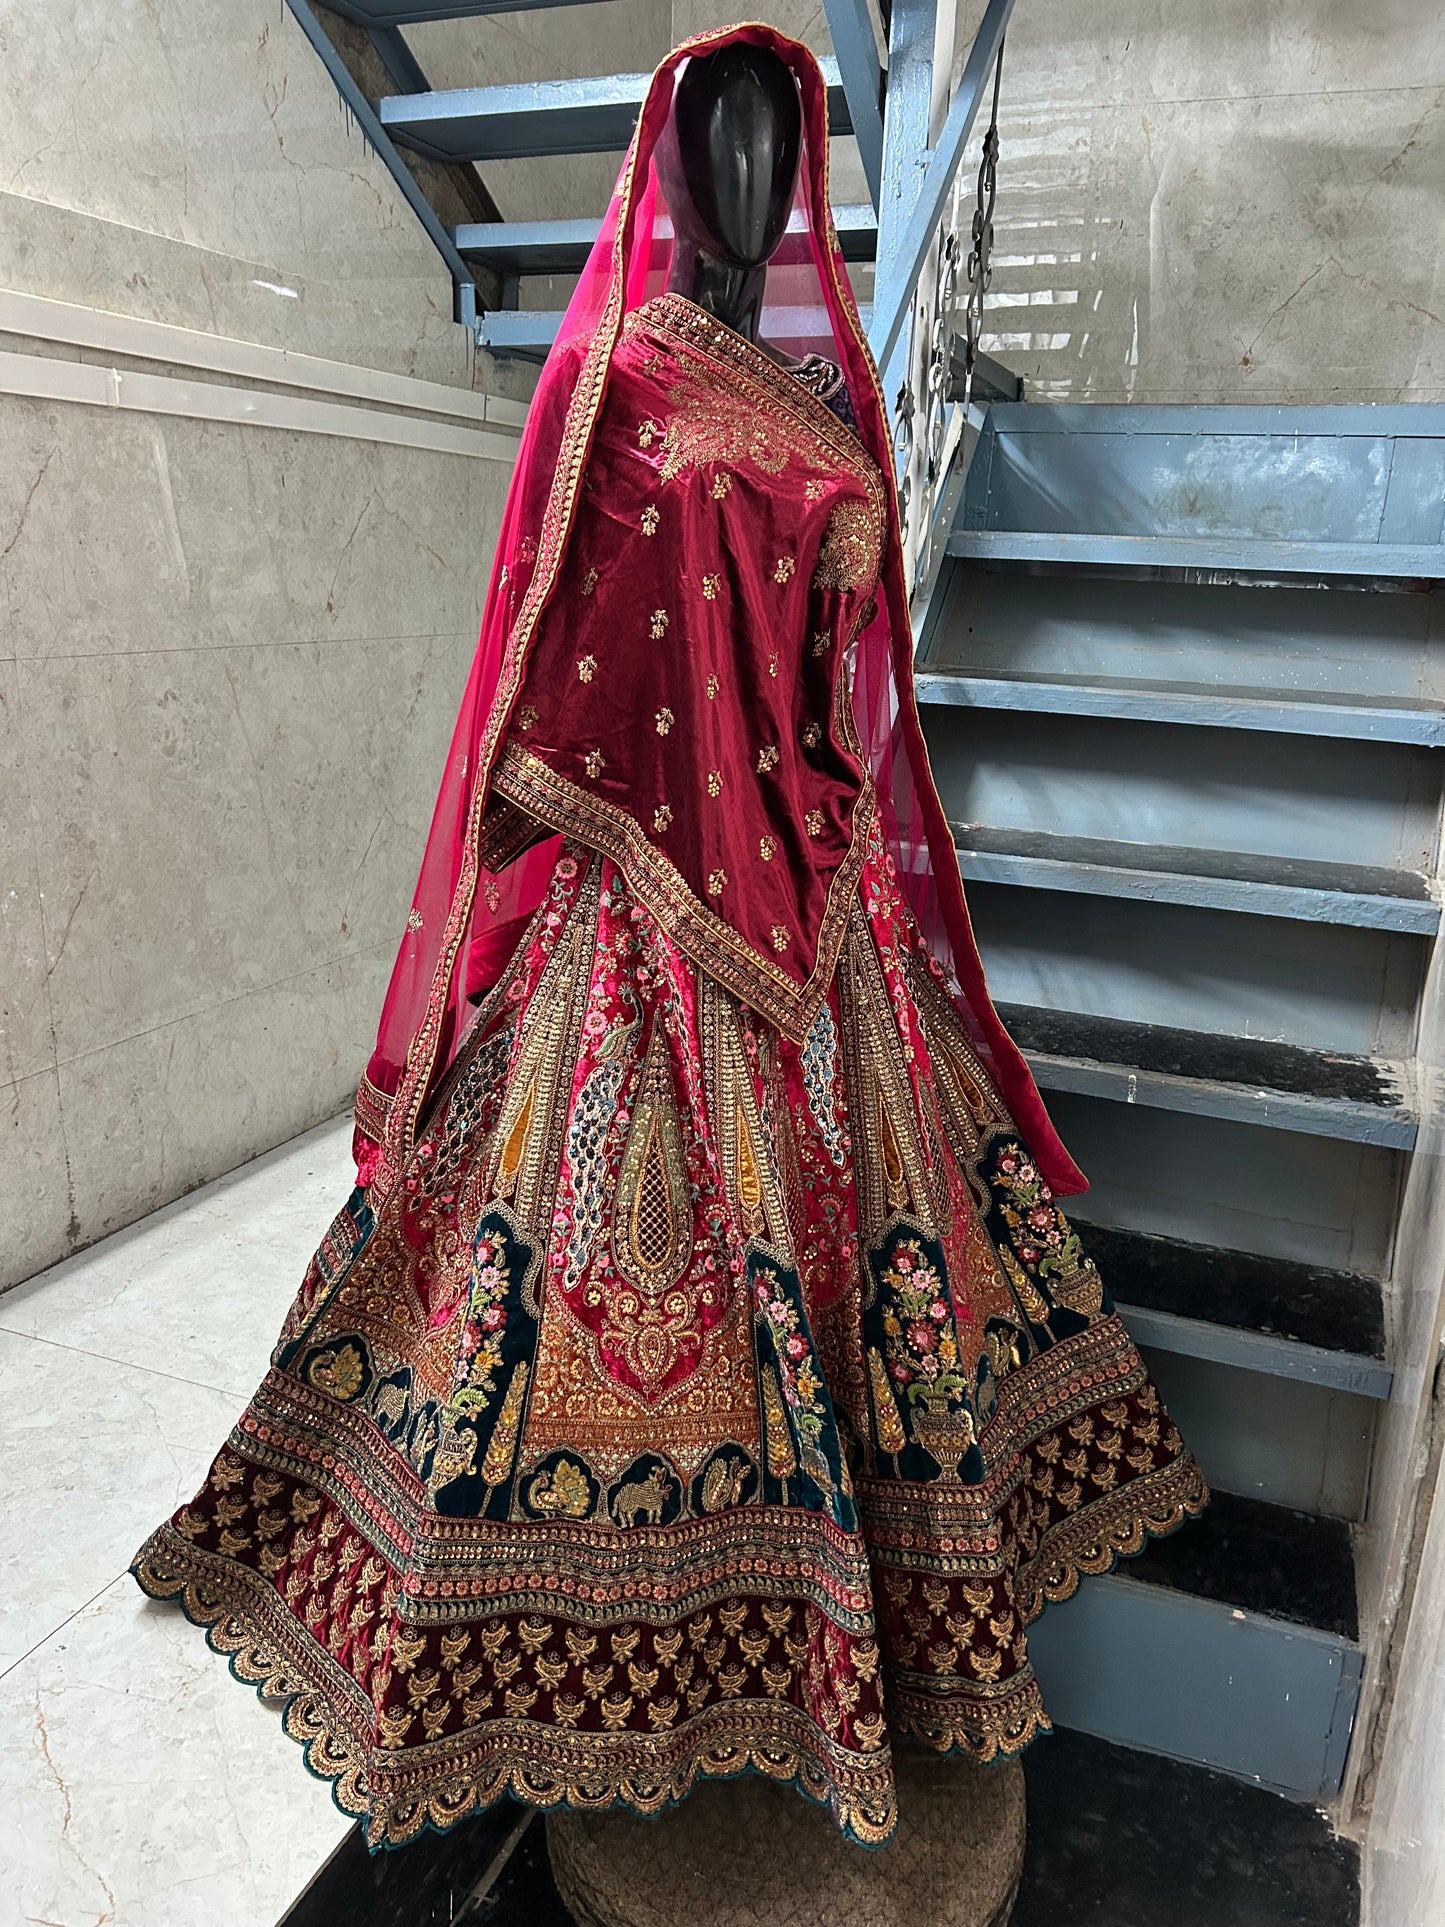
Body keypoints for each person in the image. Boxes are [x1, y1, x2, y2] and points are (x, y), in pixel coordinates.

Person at [133, 20, 1206, 1852]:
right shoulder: (618, 380)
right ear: (663, 155)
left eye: (771, 138)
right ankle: (547, 1632)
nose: (744, 172)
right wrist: (616, 832)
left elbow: (850, 668)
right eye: (713, 135)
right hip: (645, 903)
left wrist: (823, 777)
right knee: (565, 1268)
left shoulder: (821, 394)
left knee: (885, 1252)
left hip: (821, 889)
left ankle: (875, 1615)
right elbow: (549, 651)